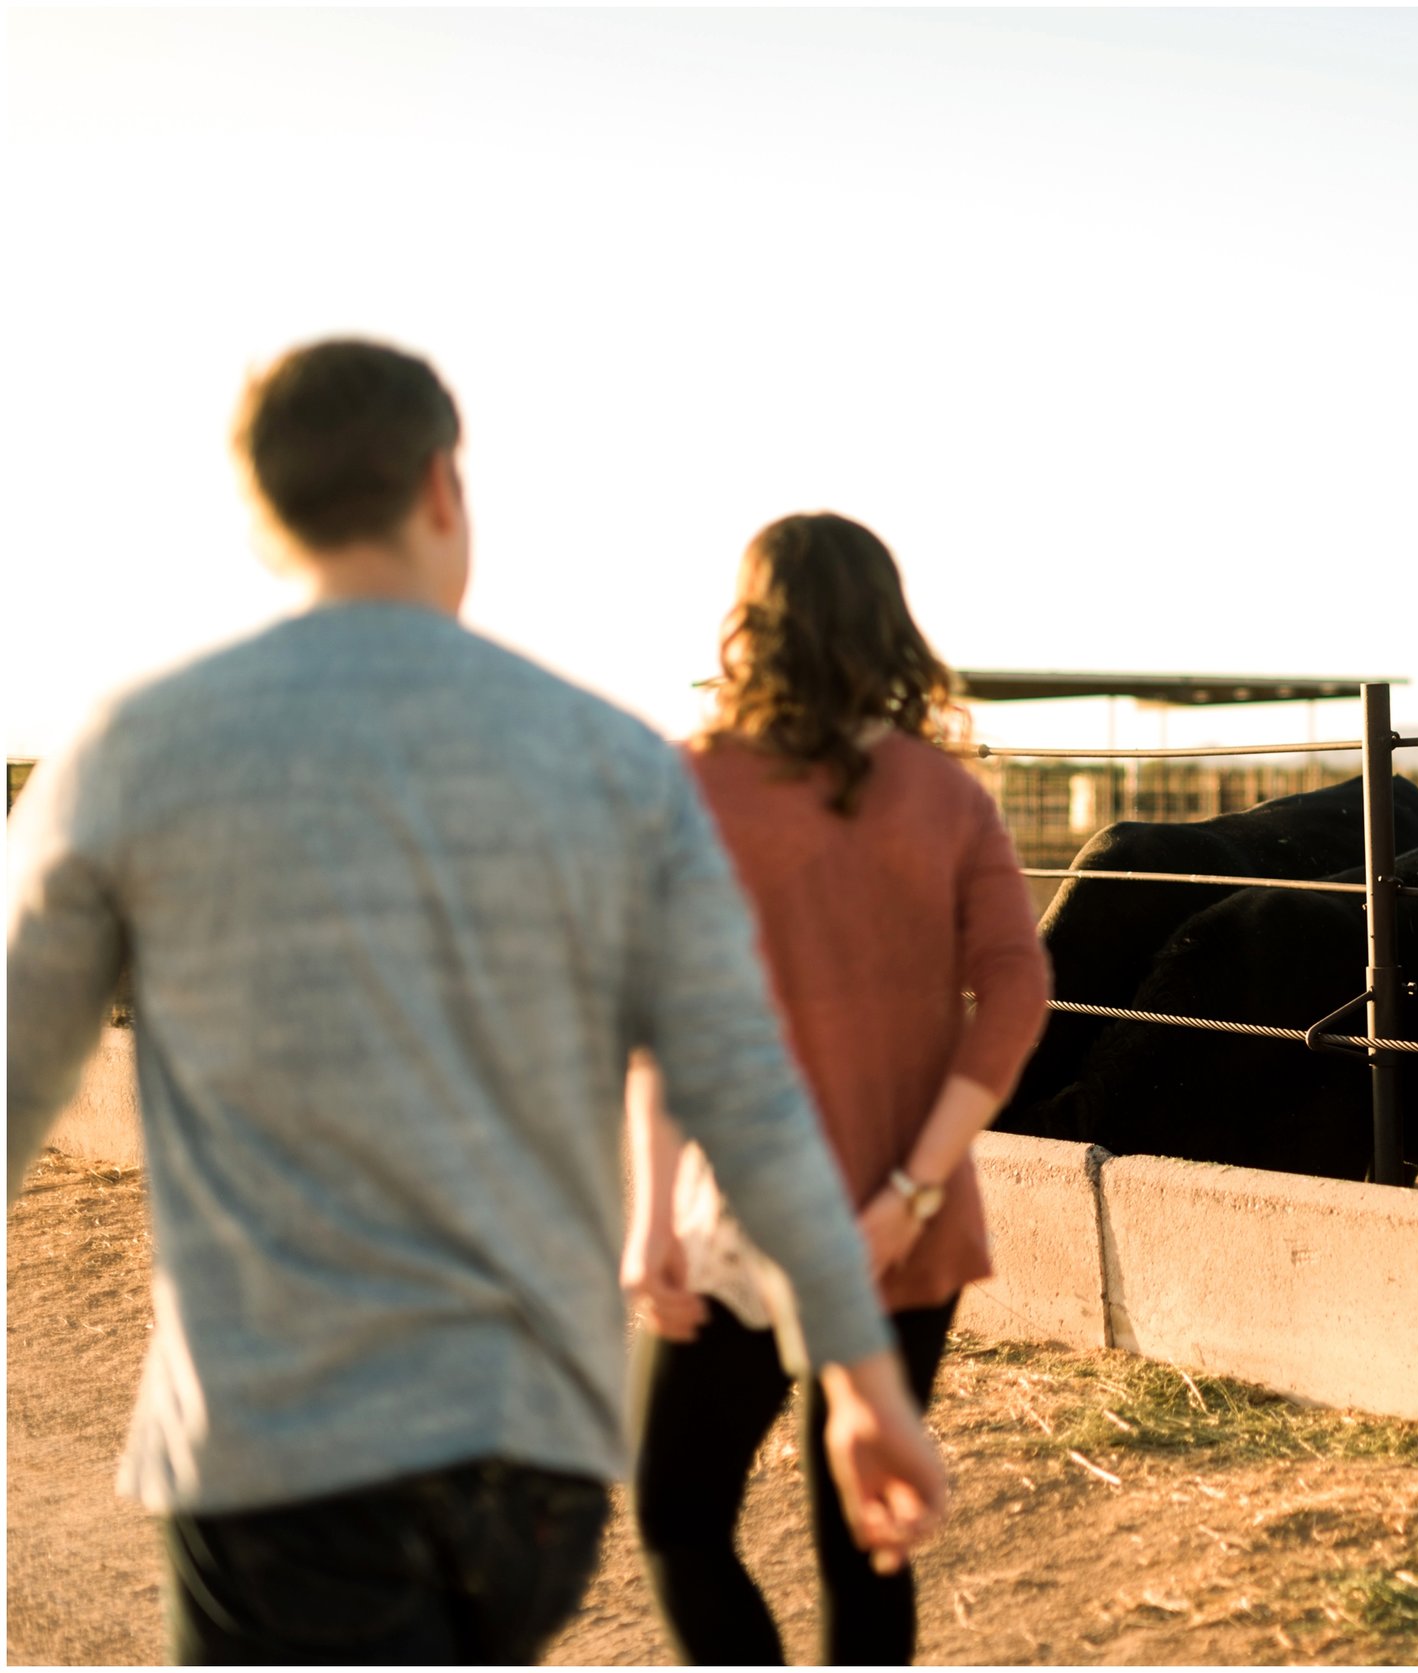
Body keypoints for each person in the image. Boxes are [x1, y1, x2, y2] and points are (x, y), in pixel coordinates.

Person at [4, 338, 949, 1665]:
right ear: (444, 486)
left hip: (272, 1446)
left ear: (259, 513)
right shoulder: (611, 762)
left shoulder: (129, 749)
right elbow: (747, 1089)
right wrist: (857, 1375)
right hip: (529, 1458)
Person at [624, 511, 1049, 1665]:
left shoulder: (693, 785)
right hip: (895, 1222)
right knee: (867, 1536)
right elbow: (1016, 994)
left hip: (736, 1215)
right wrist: (913, 1187)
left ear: (750, 625)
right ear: (887, 626)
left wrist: (649, 1216)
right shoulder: (945, 796)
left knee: (677, 1513)